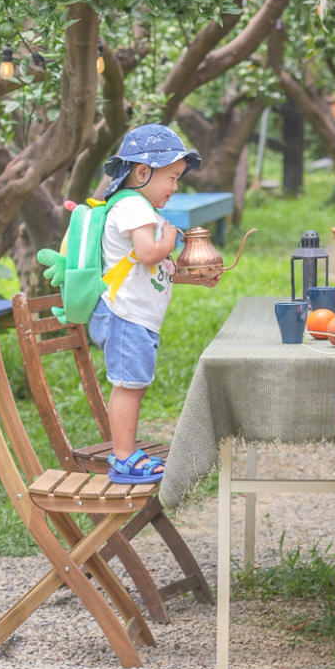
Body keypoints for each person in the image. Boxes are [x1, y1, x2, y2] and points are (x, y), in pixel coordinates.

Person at [89, 124, 222, 485]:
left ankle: (125, 451)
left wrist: (193, 276)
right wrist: (168, 236)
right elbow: (150, 253)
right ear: (142, 171)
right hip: (125, 315)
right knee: (128, 385)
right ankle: (122, 458)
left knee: (135, 384)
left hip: (136, 317)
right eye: (172, 177)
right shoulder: (133, 206)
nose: (175, 187)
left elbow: (153, 268)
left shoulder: (142, 209)